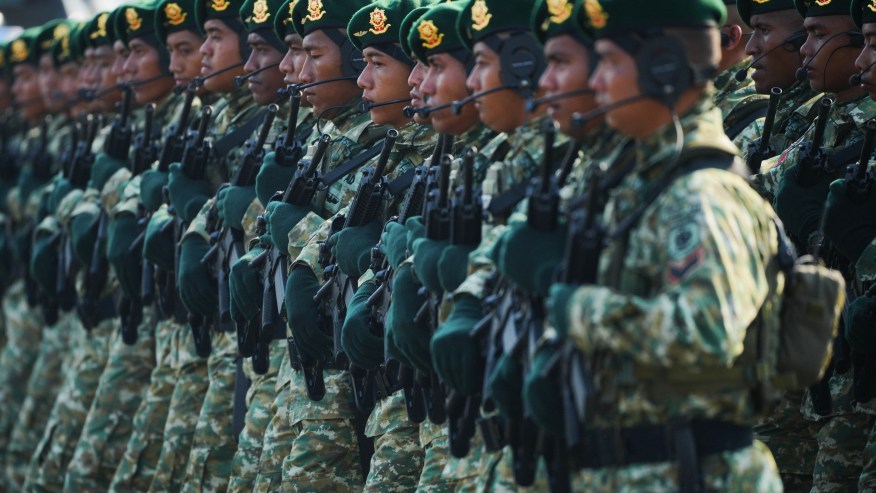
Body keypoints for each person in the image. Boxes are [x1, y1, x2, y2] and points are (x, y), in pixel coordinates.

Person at [525, 0, 786, 490]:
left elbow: (703, 336)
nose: (596, 83)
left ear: (663, 68)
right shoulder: (647, 182)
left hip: (692, 472)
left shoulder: (703, 193)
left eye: (610, 63)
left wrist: (575, 308)